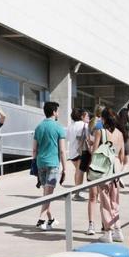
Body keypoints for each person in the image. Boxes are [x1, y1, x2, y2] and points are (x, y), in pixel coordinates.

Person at [32, 101, 67, 231]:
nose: (58, 113)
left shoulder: (39, 127)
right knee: (48, 194)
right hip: (53, 164)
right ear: (53, 112)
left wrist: (34, 164)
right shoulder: (58, 127)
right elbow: (62, 150)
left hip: (40, 163)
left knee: (46, 193)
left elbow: (34, 149)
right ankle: (41, 220)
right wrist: (65, 168)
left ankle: (50, 219)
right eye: (57, 111)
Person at [94, 107, 126, 243]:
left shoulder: (100, 132)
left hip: (104, 167)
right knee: (115, 200)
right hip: (116, 166)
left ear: (104, 118)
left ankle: (108, 232)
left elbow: (95, 152)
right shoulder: (120, 133)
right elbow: (122, 155)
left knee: (105, 200)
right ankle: (118, 230)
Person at [65, 109, 98, 235]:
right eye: (87, 115)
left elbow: (68, 138)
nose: (88, 117)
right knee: (81, 171)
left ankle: (77, 191)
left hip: (72, 152)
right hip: (81, 151)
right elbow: (87, 138)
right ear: (82, 116)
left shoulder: (70, 126)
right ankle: (77, 191)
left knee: (77, 171)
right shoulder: (84, 125)